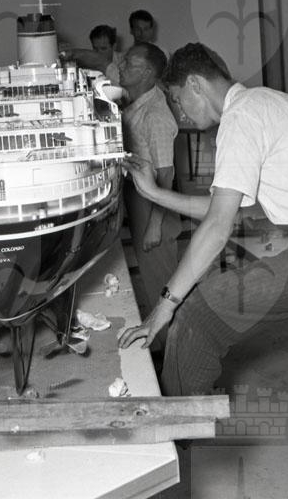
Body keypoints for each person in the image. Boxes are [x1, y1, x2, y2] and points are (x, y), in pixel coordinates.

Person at [119, 43, 288, 499]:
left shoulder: (242, 116)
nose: (179, 112)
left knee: (201, 311)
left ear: (195, 85)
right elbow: (226, 208)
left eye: (177, 99)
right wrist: (153, 193)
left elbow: (217, 227)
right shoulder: (267, 104)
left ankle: (167, 442)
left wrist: (164, 307)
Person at [119, 43, 181, 350]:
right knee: (152, 278)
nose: (121, 66)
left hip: (155, 207)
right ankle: (163, 346)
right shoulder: (136, 104)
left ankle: (173, 353)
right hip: (140, 198)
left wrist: (155, 225)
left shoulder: (156, 114)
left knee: (163, 287)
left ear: (146, 73)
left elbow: (166, 174)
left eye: (129, 63)